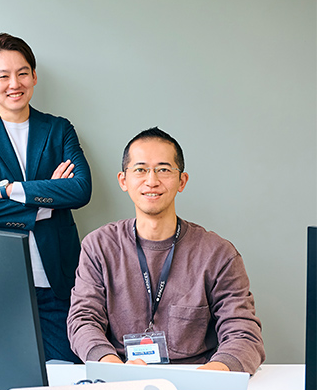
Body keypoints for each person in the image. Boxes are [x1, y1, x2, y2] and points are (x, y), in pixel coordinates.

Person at [67, 127, 265, 374]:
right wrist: (113, 368)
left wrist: (213, 374)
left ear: (182, 181)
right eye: (140, 170)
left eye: (163, 170)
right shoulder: (99, 246)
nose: (152, 181)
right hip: (121, 374)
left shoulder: (218, 254)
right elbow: (83, 320)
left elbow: (243, 332)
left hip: (197, 379)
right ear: (123, 180)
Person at [0, 33, 92, 363]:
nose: (14, 84)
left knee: (66, 375)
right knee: (3, 377)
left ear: (34, 76)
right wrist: (46, 204)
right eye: (3, 76)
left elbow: (80, 189)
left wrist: (7, 190)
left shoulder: (59, 129)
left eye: (22, 73)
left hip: (57, 284)